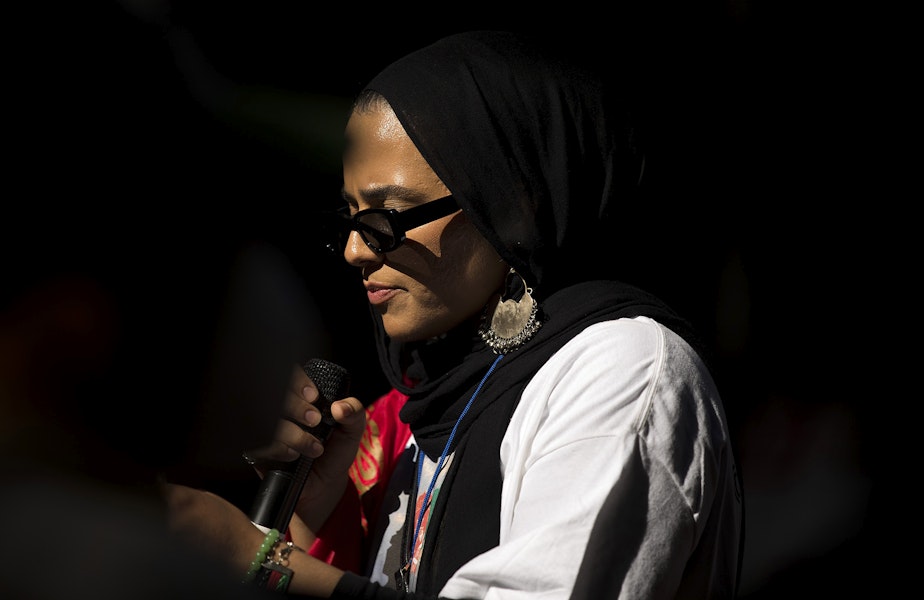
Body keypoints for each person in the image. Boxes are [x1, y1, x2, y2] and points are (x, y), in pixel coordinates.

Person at [165, 30, 743, 599]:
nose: (356, 249)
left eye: (388, 217)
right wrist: (321, 511)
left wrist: (268, 562)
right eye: (350, 217)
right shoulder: (415, 412)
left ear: (514, 204)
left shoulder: (622, 369)